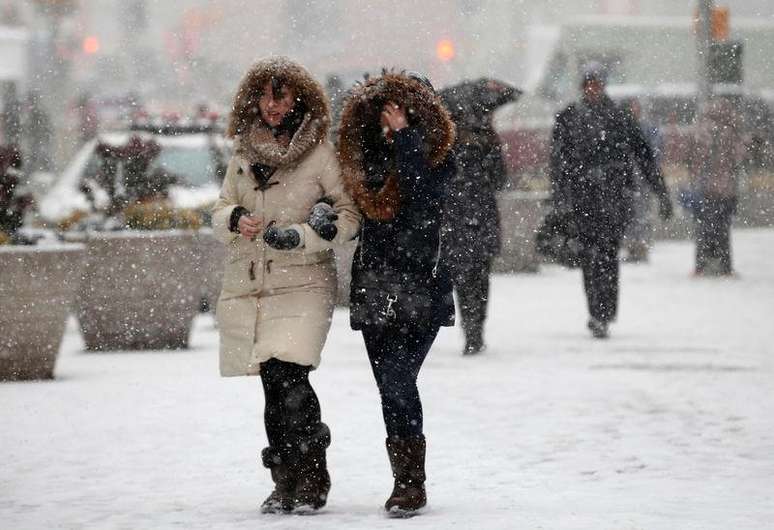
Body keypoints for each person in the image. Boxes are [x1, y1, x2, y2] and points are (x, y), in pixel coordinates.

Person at [211, 57, 360, 514]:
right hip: (254, 282)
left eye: (282, 95)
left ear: (300, 99)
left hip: (305, 283)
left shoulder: (320, 155)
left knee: (288, 374)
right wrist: (235, 219)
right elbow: (219, 210)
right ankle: (284, 479)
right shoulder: (242, 154)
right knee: (272, 386)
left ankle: (311, 474)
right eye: (265, 96)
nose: (273, 106)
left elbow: (349, 218)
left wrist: (303, 235)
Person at [337, 71, 456, 515]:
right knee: (389, 387)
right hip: (376, 286)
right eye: (385, 112)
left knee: (399, 379)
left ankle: (411, 482)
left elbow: (423, 199)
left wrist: (406, 139)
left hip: (422, 285)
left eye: (400, 111)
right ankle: (403, 478)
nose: (391, 119)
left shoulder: (437, 154)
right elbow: (349, 203)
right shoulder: (363, 158)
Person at [550, 63, 673, 339]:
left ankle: (604, 312)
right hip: (584, 201)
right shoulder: (569, 118)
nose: (592, 89)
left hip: (614, 200)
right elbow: (557, 164)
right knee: (589, 259)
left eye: (596, 84)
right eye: (588, 84)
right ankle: (596, 311)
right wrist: (560, 199)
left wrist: (661, 192)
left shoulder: (619, 118)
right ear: (583, 87)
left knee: (607, 257)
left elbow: (644, 157)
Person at [439, 78, 518, 355]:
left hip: (458, 216)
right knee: (478, 275)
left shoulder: (446, 142)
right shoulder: (487, 139)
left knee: (465, 276)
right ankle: (476, 328)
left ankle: (472, 329)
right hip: (477, 214)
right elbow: (500, 179)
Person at [690, 96, 744, 276]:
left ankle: (703, 265)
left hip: (708, 187)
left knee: (705, 226)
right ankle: (723, 265)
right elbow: (738, 156)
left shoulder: (704, 128)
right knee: (721, 227)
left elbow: (696, 155)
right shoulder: (730, 130)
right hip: (724, 188)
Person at [622, 98, 664, 263]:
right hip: (629, 179)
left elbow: (655, 152)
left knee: (641, 212)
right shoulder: (626, 129)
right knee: (631, 214)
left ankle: (640, 246)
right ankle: (633, 246)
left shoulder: (647, 129)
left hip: (641, 179)